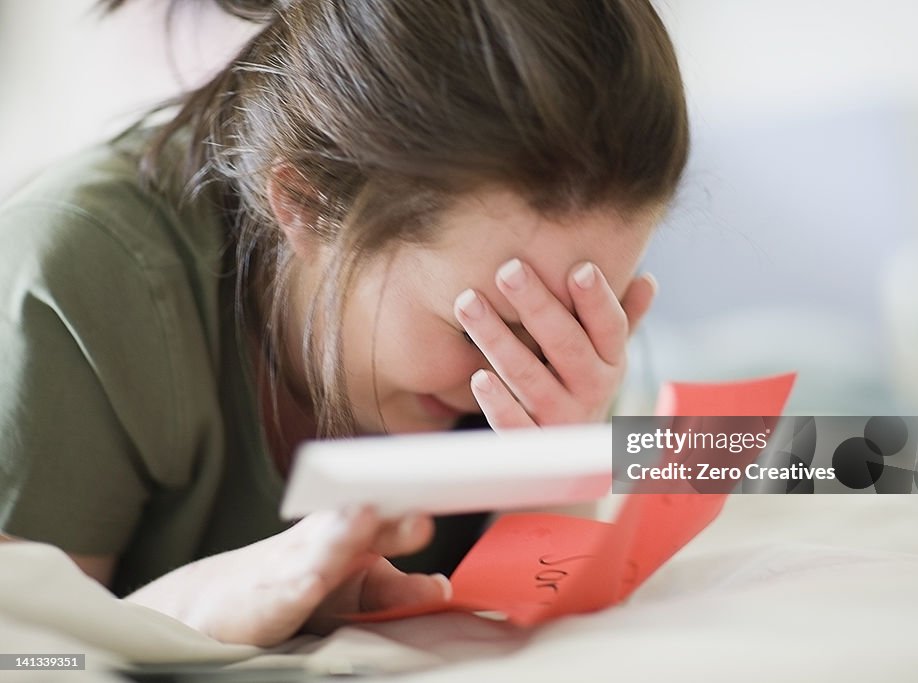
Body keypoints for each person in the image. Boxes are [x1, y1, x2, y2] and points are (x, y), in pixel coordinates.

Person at [0, 0, 689, 646]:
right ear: (304, 204)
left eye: (573, 320)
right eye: (480, 327)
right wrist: (196, 609)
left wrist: (559, 475)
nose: (518, 373)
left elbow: (531, 630)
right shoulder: (84, 281)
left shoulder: (566, 369)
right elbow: (27, 655)